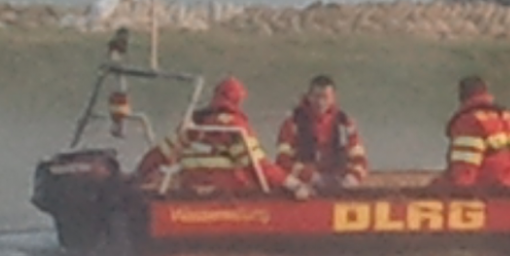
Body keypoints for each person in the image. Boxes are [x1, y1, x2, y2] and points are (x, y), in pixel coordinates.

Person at [134, 76, 312, 199]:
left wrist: (138, 175)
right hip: (226, 194)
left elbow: (158, 156)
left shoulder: (193, 125)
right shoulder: (234, 127)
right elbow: (259, 167)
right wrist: (293, 184)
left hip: (191, 193)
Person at [432, 75, 510, 188]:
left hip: (487, 189)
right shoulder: (509, 118)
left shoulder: (470, 122)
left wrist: (442, 189)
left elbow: (464, 170)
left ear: (462, 96)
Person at [274, 75, 369, 190]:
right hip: (302, 186)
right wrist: (311, 177)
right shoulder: (293, 123)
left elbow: (359, 159)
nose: (320, 102)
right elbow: (282, 161)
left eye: (325, 97)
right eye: (316, 97)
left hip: (339, 182)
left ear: (333, 98)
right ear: (309, 97)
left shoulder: (345, 124)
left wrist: (353, 178)